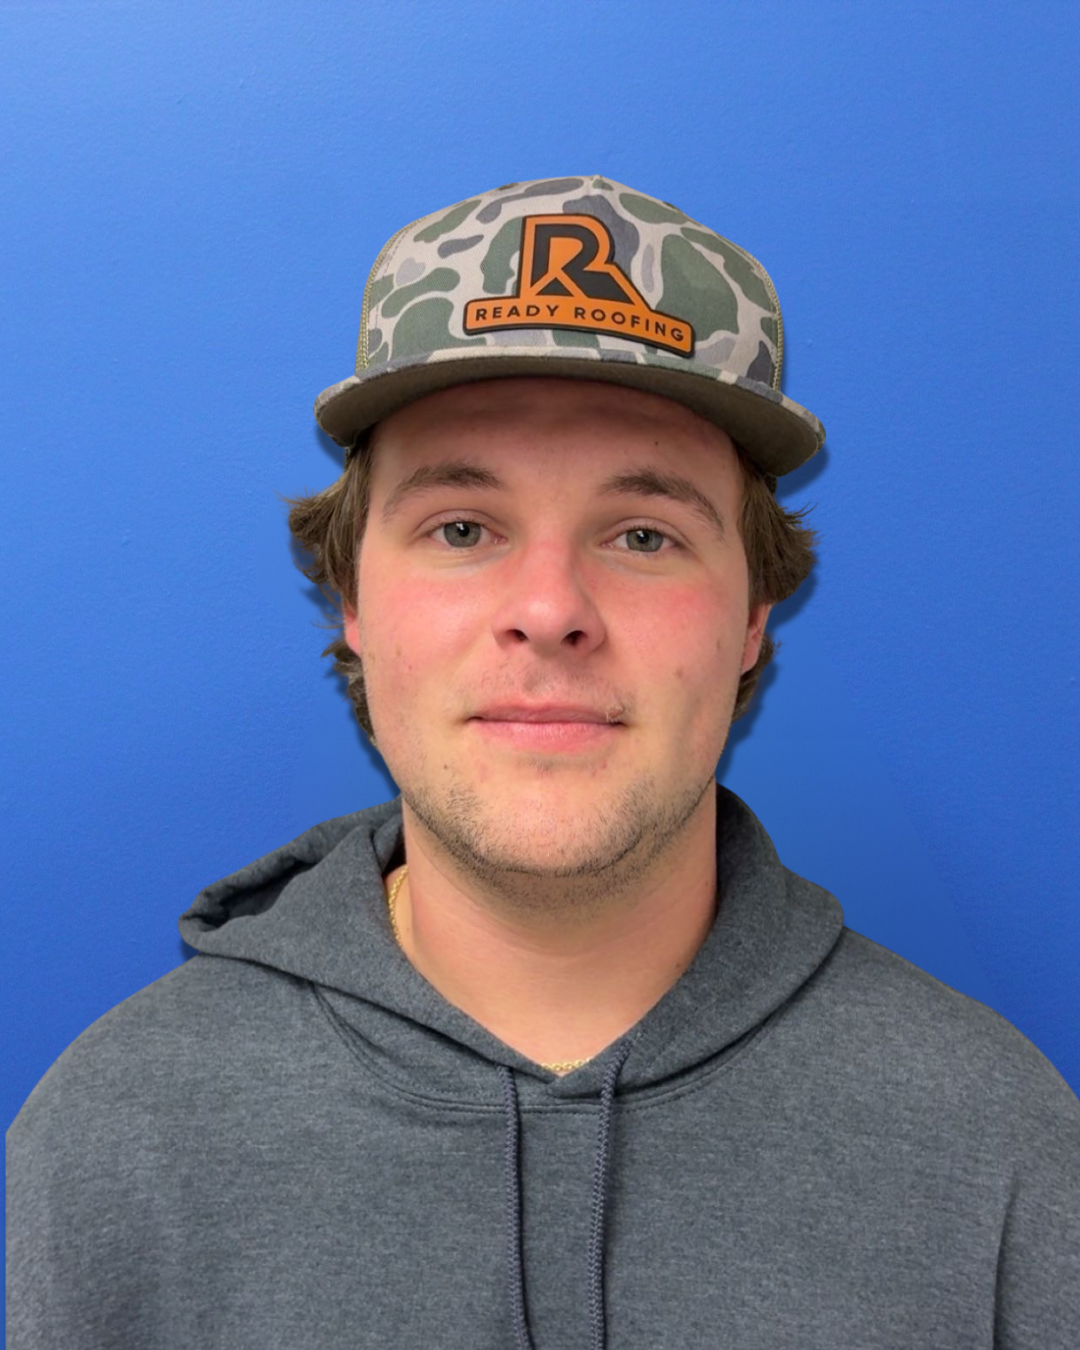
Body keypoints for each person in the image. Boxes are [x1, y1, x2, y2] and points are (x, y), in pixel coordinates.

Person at [7, 176, 1079, 1349]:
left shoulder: (998, 1148)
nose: (551, 609)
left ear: (754, 622)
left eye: (643, 535)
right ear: (354, 600)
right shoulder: (117, 1139)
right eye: (462, 528)